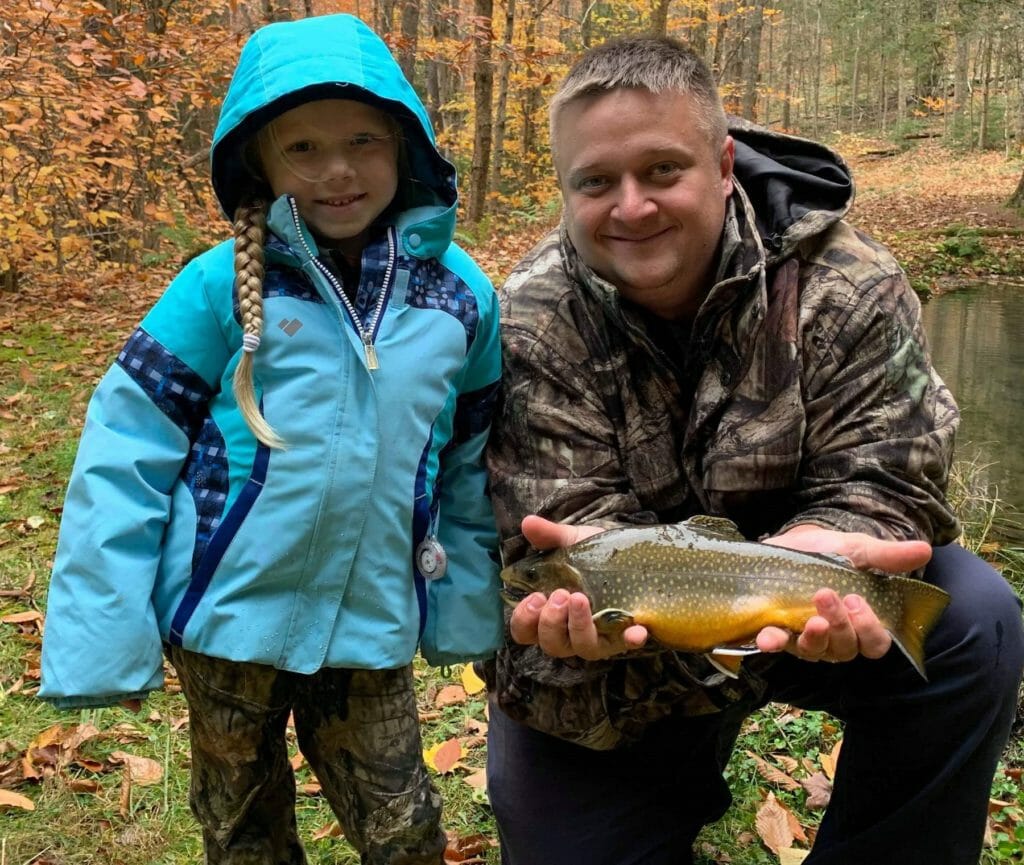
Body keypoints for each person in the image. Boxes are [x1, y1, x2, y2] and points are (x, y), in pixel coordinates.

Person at [482, 35, 1024, 865]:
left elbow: (891, 469)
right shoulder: (526, 317)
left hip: (806, 611)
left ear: (725, 162)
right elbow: (551, 519)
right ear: (566, 188)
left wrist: (828, 549)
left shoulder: (848, 279)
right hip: (623, 659)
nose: (631, 207)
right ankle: (669, 780)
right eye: (596, 181)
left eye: (663, 170)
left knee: (974, 619)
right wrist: (584, 589)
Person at [39, 14, 503, 865]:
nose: (337, 169)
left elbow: (470, 461)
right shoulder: (214, 284)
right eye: (304, 147)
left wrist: (468, 604)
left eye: (364, 139)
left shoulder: (462, 297)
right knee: (243, 830)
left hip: (372, 625)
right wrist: (102, 632)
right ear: (259, 159)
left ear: (408, 145)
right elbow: (124, 447)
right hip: (224, 627)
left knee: (405, 831)